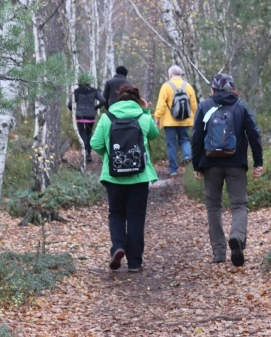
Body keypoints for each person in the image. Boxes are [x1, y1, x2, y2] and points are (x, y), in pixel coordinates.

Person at [191, 73, 263, 267]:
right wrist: (258, 162)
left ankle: (219, 252)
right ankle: (237, 237)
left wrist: (196, 165)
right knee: (239, 205)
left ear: (213, 89)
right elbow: (254, 134)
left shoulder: (205, 106)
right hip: (236, 163)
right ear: (232, 87)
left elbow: (197, 136)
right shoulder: (241, 105)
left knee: (214, 207)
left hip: (210, 164)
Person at [90, 83, 159, 273]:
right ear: (138, 100)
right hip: (139, 176)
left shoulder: (107, 117)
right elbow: (154, 134)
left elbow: (94, 143)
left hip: (113, 177)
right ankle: (135, 262)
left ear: (118, 98)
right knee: (136, 217)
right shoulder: (142, 118)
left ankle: (118, 247)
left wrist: (109, 156)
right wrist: (146, 111)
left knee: (117, 213)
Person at [153, 65, 197, 176]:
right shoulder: (188, 86)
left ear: (170, 74)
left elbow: (161, 104)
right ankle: (187, 155)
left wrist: (157, 117)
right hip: (185, 120)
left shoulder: (166, 86)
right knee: (184, 139)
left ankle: (173, 170)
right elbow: (194, 105)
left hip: (169, 121)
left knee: (171, 144)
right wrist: (195, 117)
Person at [68, 80, 106, 162]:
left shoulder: (76, 91)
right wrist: (96, 107)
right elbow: (103, 100)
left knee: (82, 133)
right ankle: (89, 154)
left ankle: (84, 153)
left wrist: (74, 110)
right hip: (90, 115)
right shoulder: (94, 90)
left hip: (80, 115)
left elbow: (70, 104)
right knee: (89, 133)